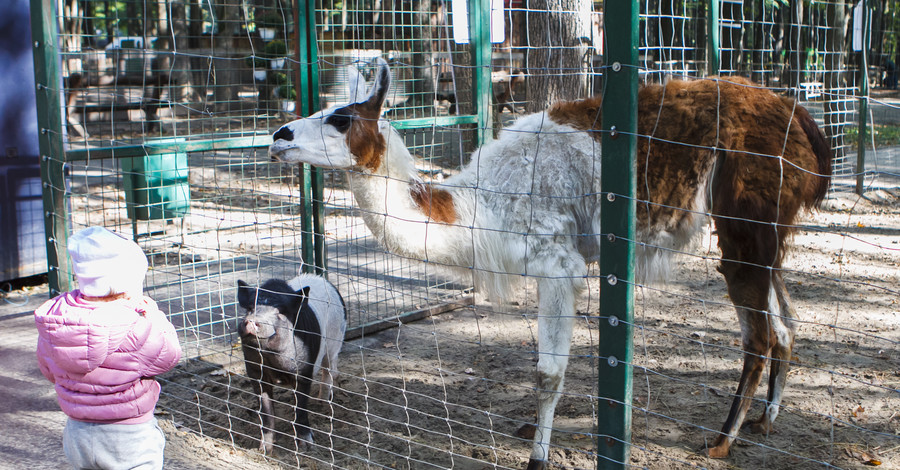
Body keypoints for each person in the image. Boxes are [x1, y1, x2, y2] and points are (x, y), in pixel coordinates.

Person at [34, 226, 182, 470]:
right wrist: (151, 313)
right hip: (128, 436)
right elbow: (169, 356)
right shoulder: (135, 322)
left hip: (77, 433)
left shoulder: (57, 320)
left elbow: (49, 371)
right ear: (129, 281)